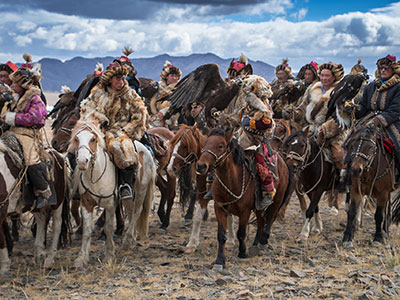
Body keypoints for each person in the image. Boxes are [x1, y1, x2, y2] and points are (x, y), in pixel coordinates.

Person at [80, 61, 148, 200]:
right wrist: (99, 117)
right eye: (118, 78)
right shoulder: (98, 93)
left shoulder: (130, 95)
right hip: (98, 129)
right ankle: (77, 185)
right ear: (110, 80)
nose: (122, 81)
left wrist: (126, 129)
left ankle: (126, 185)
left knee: (120, 147)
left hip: (120, 131)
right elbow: (86, 108)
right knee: (79, 147)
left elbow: (140, 115)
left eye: (123, 78)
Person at [0, 62, 54, 209]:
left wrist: (12, 117)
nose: (12, 85)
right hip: (11, 132)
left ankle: (43, 190)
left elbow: (36, 118)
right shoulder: (13, 97)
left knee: (31, 160)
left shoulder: (35, 98)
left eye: (16, 83)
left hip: (28, 135)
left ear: (23, 85)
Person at [351, 54, 400, 184]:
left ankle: (397, 175)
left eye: (386, 68)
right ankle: (346, 173)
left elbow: (395, 110)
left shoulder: (398, 87)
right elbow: (363, 105)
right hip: (369, 118)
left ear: (393, 70)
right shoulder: (371, 86)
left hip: (392, 121)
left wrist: (377, 121)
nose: (382, 70)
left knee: (398, 145)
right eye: (380, 67)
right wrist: (354, 109)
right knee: (350, 139)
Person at [149, 61, 182, 127]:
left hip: (172, 120)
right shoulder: (158, 87)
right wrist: (155, 113)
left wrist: (164, 112)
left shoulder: (180, 89)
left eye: (176, 76)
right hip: (155, 118)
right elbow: (152, 101)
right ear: (166, 76)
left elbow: (178, 106)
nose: (175, 78)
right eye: (172, 76)